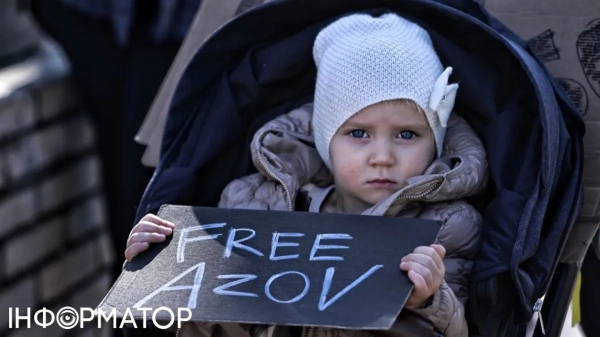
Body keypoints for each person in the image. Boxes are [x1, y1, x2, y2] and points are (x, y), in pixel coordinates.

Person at [124, 13, 489, 337]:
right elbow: (209, 326)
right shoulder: (252, 203)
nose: (382, 157)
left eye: (406, 135)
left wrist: (428, 301)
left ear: (435, 142)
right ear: (325, 139)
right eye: (358, 134)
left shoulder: (447, 225)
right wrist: (159, 270)